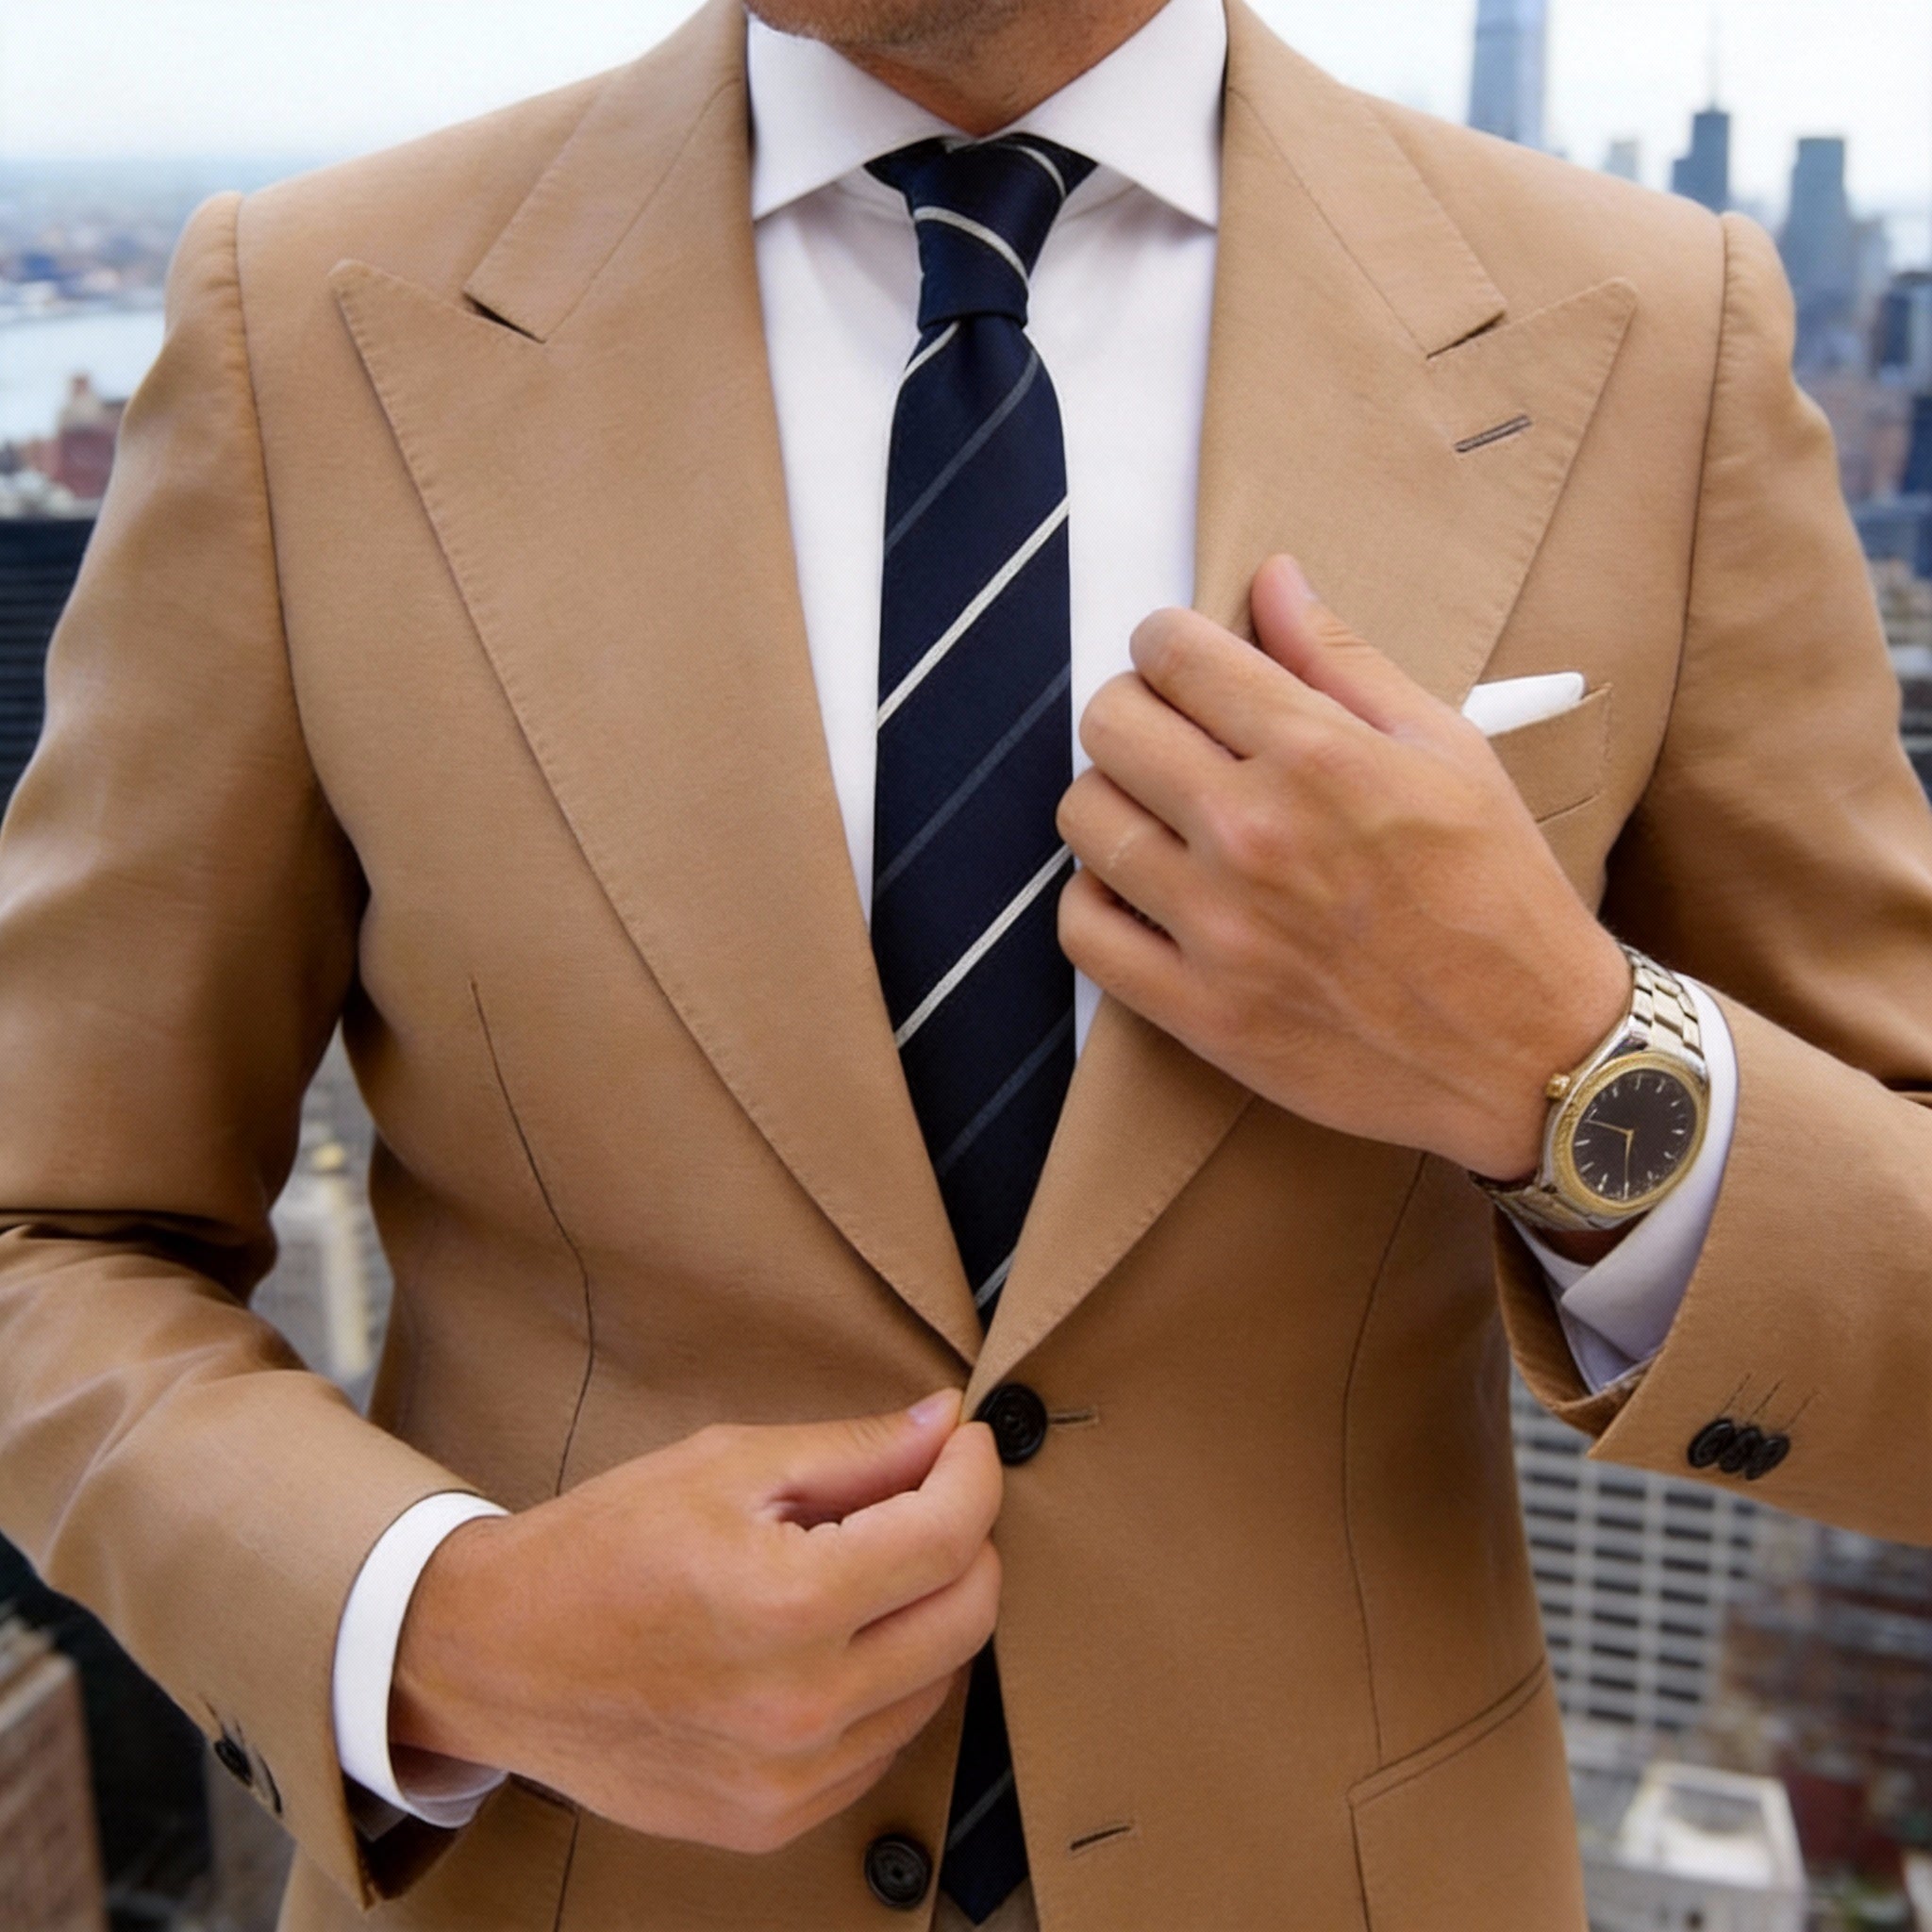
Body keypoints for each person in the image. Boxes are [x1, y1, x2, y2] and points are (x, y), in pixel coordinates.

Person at [1, 0, 1928, 1924]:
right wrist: (445, 1625)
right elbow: (48, 1237)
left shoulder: (1654, 335)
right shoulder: (309, 324)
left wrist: (1570, 1062)